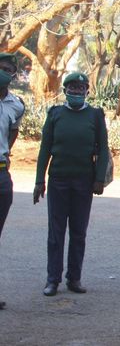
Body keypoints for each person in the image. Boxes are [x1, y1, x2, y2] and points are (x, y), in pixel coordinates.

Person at [33, 72, 110, 297]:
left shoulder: (95, 116)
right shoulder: (55, 114)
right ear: (65, 91)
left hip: (84, 181)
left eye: (80, 88)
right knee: (55, 233)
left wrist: (98, 179)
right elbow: (45, 149)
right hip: (58, 180)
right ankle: (52, 280)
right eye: (72, 88)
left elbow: (103, 148)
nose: (76, 92)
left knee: (78, 232)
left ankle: (74, 279)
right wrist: (40, 180)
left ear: (87, 91)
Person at [0, 52, 25, 309]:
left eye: (10, 70)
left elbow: (13, 133)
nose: (6, 73)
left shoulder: (16, 105)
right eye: (2, 68)